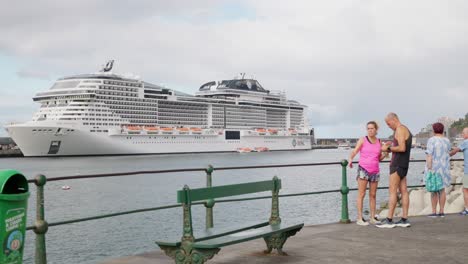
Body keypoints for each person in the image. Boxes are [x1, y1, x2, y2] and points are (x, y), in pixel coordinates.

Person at [377, 113, 412, 228]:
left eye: (388, 123)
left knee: (392, 191)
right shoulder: (405, 129)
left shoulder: (400, 129)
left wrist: (387, 148)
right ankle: (404, 219)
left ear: (394, 119)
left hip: (397, 164)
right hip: (403, 164)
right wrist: (391, 144)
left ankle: (389, 219)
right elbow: (401, 145)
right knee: (404, 191)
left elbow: (402, 148)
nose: (388, 126)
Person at [348, 121, 387, 226]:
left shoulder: (379, 142)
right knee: (361, 194)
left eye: (372, 128)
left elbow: (379, 158)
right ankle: (359, 218)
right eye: (368, 128)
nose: (370, 130)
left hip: (375, 171)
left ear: (376, 130)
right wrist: (350, 159)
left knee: (373, 195)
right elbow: (355, 151)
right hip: (363, 169)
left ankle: (372, 217)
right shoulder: (363, 140)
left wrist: (386, 153)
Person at [425, 123, 451, 217]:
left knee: (434, 191)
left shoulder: (431, 140)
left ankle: (434, 211)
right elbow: (449, 152)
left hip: (434, 168)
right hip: (444, 168)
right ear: (443, 130)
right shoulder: (447, 140)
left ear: (433, 130)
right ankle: (442, 211)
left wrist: (429, 167)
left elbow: (429, 155)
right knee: (442, 190)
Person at [449, 127, 468, 215]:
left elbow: (454, 151)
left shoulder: (465, 142)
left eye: (463, 133)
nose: (462, 135)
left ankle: (467, 209)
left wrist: (446, 154)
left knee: (466, 190)